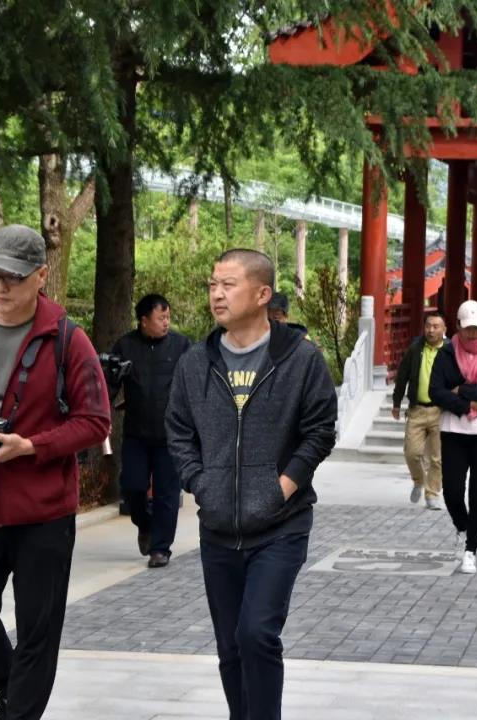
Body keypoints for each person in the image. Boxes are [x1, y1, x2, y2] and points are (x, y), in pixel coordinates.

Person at [0, 225, 111, 720]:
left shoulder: (68, 339)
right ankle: (17, 690)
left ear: (41, 276)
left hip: (43, 514)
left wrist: (31, 446)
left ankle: (20, 712)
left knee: (37, 631)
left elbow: (95, 421)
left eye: (12, 276)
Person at [166, 249, 337, 720]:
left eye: (229, 284)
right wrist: (202, 485)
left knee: (256, 634)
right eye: (212, 284)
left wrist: (281, 488)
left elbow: (320, 430)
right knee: (229, 648)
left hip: (282, 524)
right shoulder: (195, 361)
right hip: (218, 526)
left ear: (262, 294)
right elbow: (178, 431)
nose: (217, 294)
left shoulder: (300, 359)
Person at [109, 294, 191, 568]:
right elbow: (109, 382)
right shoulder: (125, 346)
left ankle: (160, 549)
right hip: (136, 434)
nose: (166, 323)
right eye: (161, 318)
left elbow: (195, 383)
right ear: (144, 320)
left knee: (168, 493)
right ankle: (144, 524)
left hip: (171, 436)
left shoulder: (181, 346)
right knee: (132, 486)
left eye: (168, 317)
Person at [428, 300, 477, 575]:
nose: (472, 335)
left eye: (476, 329)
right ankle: (463, 527)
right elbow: (436, 391)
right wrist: (467, 403)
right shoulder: (446, 353)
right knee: (451, 491)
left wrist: (463, 390)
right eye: (467, 329)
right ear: (458, 327)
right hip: (454, 429)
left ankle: (471, 548)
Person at [391, 312, 448, 511]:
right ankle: (418, 480)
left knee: (436, 457)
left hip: (440, 411)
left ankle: (432, 494)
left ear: (444, 330)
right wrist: (396, 402)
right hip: (416, 409)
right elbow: (402, 376)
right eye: (428, 326)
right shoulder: (415, 349)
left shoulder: (450, 351)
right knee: (412, 453)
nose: (431, 330)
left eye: (436, 326)